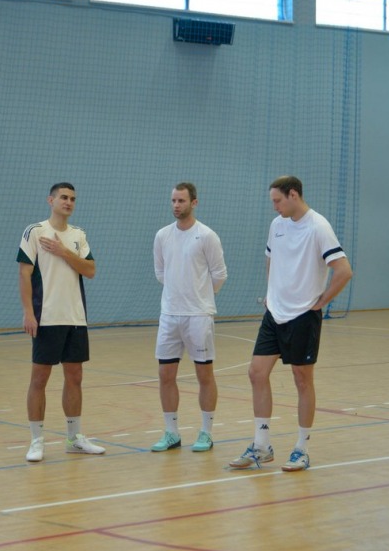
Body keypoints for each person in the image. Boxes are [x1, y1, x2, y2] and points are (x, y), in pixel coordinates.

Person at [229, 175, 352, 472]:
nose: (275, 207)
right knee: (256, 373)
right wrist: (272, 292)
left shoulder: (318, 226)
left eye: (277, 201)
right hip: (274, 313)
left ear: (293, 194)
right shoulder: (277, 225)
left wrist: (321, 302)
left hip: (303, 316)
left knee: (301, 379)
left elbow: (344, 271)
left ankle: (301, 449)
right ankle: (262, 446)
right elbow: (270, 258)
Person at [18, 182, 105, 462]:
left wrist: (64, 251)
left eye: (72, 199)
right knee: (39, 378)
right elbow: (24, 274)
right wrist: (29, 313)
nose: (68, 202)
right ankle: (36, 440)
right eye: (63, 197)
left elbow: (90, 270)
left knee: (75, 376)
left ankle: (74, 438)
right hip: (46, 317)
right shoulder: (35, 231)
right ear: (51, 200)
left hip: (75, 318)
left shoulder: (79, 235)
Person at [150, 182, 228, 453]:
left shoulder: (207, 236)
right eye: (173, 200)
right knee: (165, 374)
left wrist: (200, 296)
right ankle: (171, 433)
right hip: (169, 315)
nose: (176, 205)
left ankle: (206, 432)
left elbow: (219, 274)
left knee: (204, 374)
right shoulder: (162, 235)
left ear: (194, 203)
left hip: (199, 316)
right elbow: (161, 273)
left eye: (181, 201)